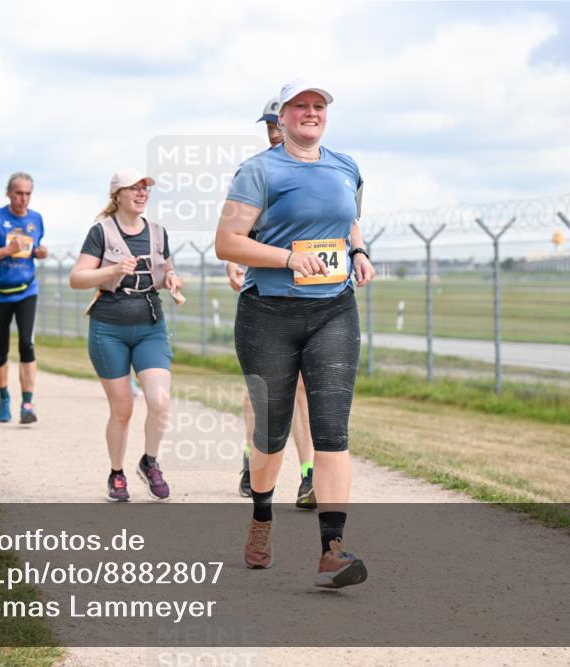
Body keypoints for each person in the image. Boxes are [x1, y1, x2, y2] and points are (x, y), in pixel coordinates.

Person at [215, 79, 376, 588]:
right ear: (280, 119)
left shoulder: (345, 166)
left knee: (333, 432)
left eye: (319, 106)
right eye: (300, 106)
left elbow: (348, 219)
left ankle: (333, 550)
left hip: (334, 310)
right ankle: (262, 516)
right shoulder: (259, 171)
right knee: (271, 433)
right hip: (269, 315)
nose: (311, 112)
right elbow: (227, 242)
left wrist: (358, 252)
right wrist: (288, 259)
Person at [70, 168, 183, 503]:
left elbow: (166, 270)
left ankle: (149, 462)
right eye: (133, 188)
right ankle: (116, 473)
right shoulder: (101, 232)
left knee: (160, 401)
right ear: (116, 195)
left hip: (150, 326)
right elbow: (77, 278)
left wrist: (173, 281)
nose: (141, 193)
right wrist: (113, 270)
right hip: (109, 329)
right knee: (122, 410)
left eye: (145, 188)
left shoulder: (159, 232)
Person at [229, 97, 317, 508]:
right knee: (260, 391)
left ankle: (308, 475)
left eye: (275, 123)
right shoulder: (255, 171)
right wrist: (234, 263)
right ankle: (253, 460)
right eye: (267, 124)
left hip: (311, 294)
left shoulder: (322, 169)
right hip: (265, 295)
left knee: (300, 390)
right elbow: (234, 233)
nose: (272, 131)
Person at [0, 172, 48, 424]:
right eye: (18, 193)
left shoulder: (36, 219)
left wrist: (39, 252)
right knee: (1, 348)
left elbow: (31, 250)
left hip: (26, 289)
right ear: (8, 193)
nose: (23, 198)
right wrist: (7, 250)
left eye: (27, 193)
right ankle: (4, 396)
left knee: (26, 343)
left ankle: (27, 403)